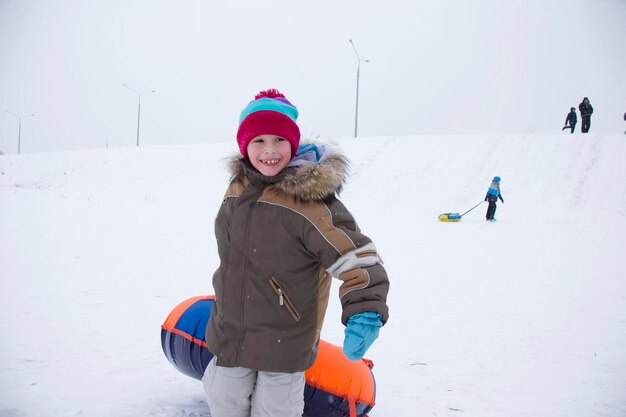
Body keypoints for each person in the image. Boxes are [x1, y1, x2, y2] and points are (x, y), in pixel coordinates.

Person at [202, 89, 390, 417]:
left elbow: (356, 254)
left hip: (284, 344)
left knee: (274, 411)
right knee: (222, 401)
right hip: (230, 334)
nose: (270, 150)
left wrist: (364, 309)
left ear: (294, 144)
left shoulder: (310, 201)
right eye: (259, 140)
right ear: (245, 146)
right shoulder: (237, 189)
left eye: (279, 140)